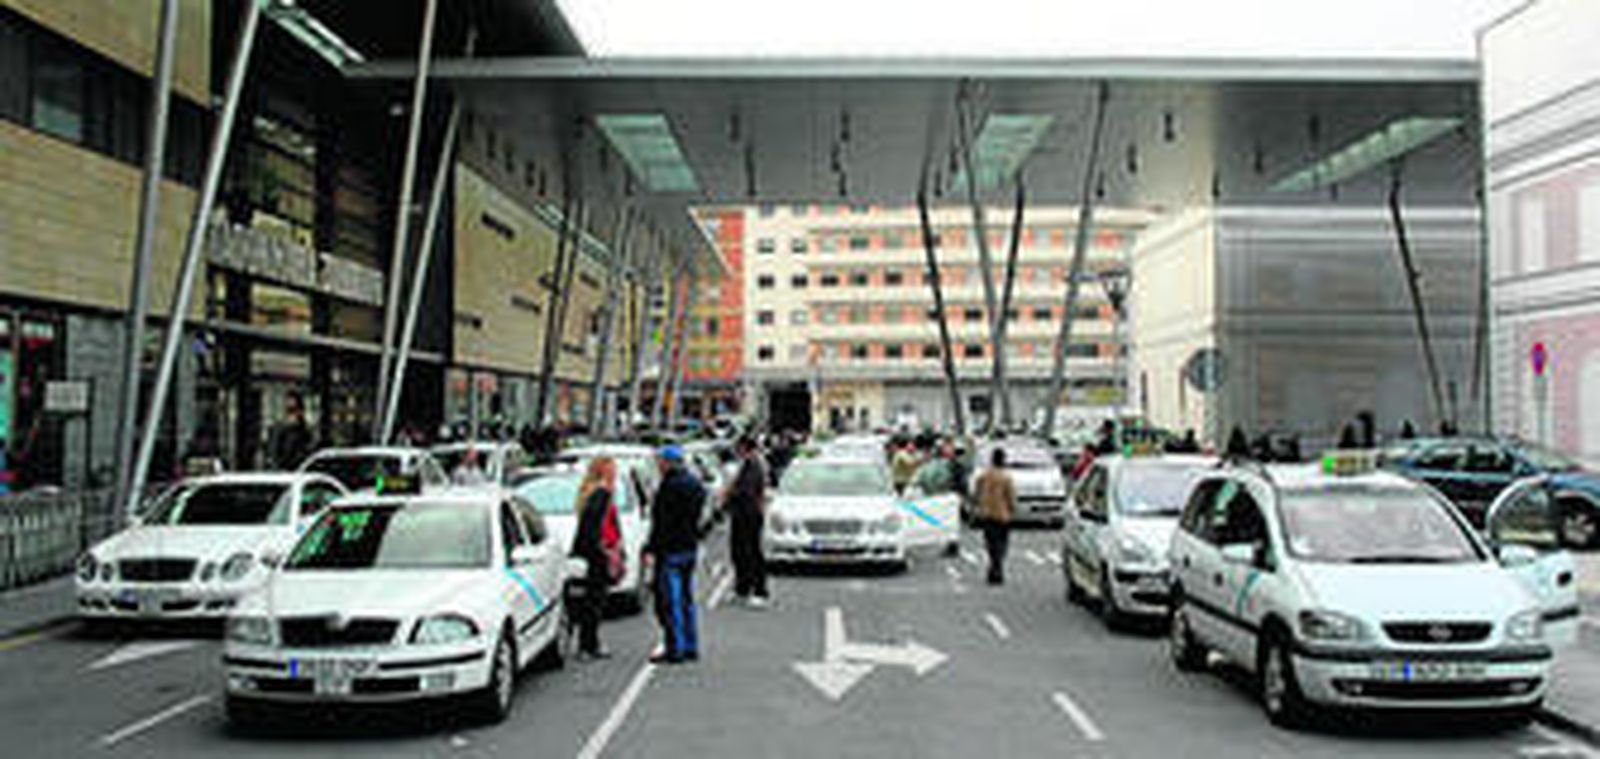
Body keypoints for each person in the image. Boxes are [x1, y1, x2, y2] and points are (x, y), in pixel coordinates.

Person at [645, 445, 706, 664]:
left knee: (671, 601)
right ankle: (691, 644)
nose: (659, 465)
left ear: (668, 463)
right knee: (687, 599)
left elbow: (661, 522)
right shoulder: (695, 485)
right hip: (689, 546)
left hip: (670, 549)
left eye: (661, 461)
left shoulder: (668, 487)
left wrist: (651, 548)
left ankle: (675, 648)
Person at [571, 457, 622, 659]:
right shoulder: (601, 493)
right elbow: (594, 525)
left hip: (594, 552)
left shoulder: (592, 492)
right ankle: (588, 645)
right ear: (604, 472)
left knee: (592, 599)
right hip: (598, 553)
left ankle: (589, 643)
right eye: (612, 469)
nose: (615, 473)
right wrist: (604, 549)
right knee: (594, 600)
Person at [723, 436, 770, 608]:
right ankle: (742, 589)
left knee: (751, 552)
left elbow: (747, 491)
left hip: (749, 515)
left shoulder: (755, 465)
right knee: (739, 552)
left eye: (739, 448)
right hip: (741, 514)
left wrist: (729, 493)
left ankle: (759, 591)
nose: (737, 451)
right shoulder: (746, 464)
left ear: (745, 448)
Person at [972, 448, 1016, 586]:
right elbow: (1011, 498)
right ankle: (997, 569)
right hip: (1002, 515)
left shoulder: (983, 477)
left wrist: (978, 506)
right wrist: (1012, 509)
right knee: (1001, 544)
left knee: (991, 543)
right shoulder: (1006, 478)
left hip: (987, 514)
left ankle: (993, 569)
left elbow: (976, 494)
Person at [267, 391, 315, 470]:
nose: (293, 415)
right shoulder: (278, 431)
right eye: (289, 411)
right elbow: (273, 455)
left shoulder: (305, 432)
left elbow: (308, 453)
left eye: (295, 410)